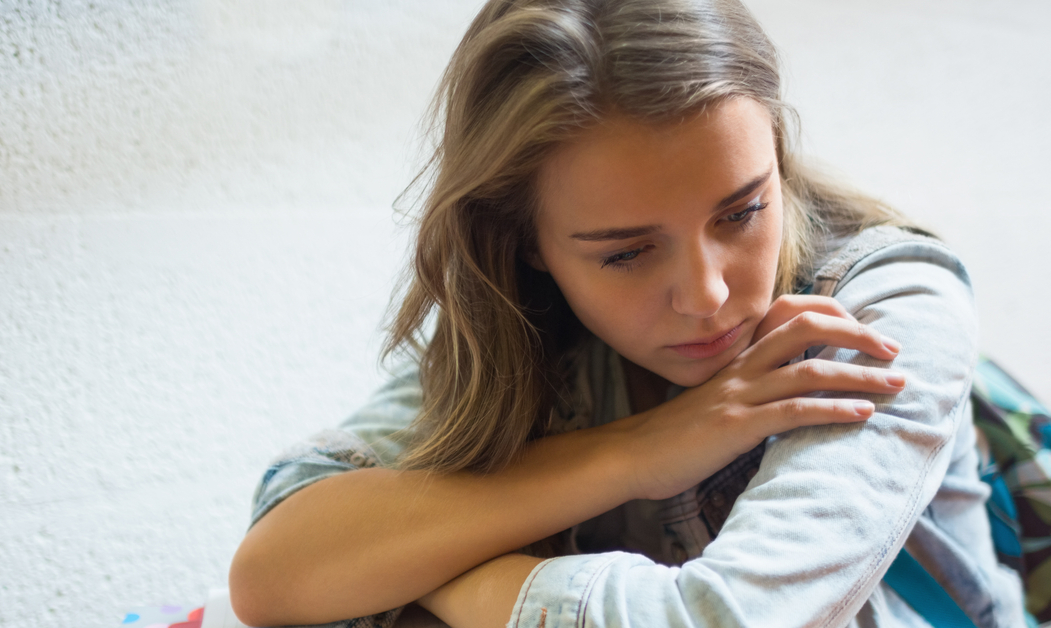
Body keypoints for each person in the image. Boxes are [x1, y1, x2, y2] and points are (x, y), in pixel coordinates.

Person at [228, 0, 1026, 626]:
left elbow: (727, 619)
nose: (709, 294)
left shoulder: (886, 306)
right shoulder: (526, 325)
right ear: (528, 244)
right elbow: (274, 572)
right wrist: (641, 452)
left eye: (743, 212)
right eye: (625, 253)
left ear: (776, 153)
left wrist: (443, 577)